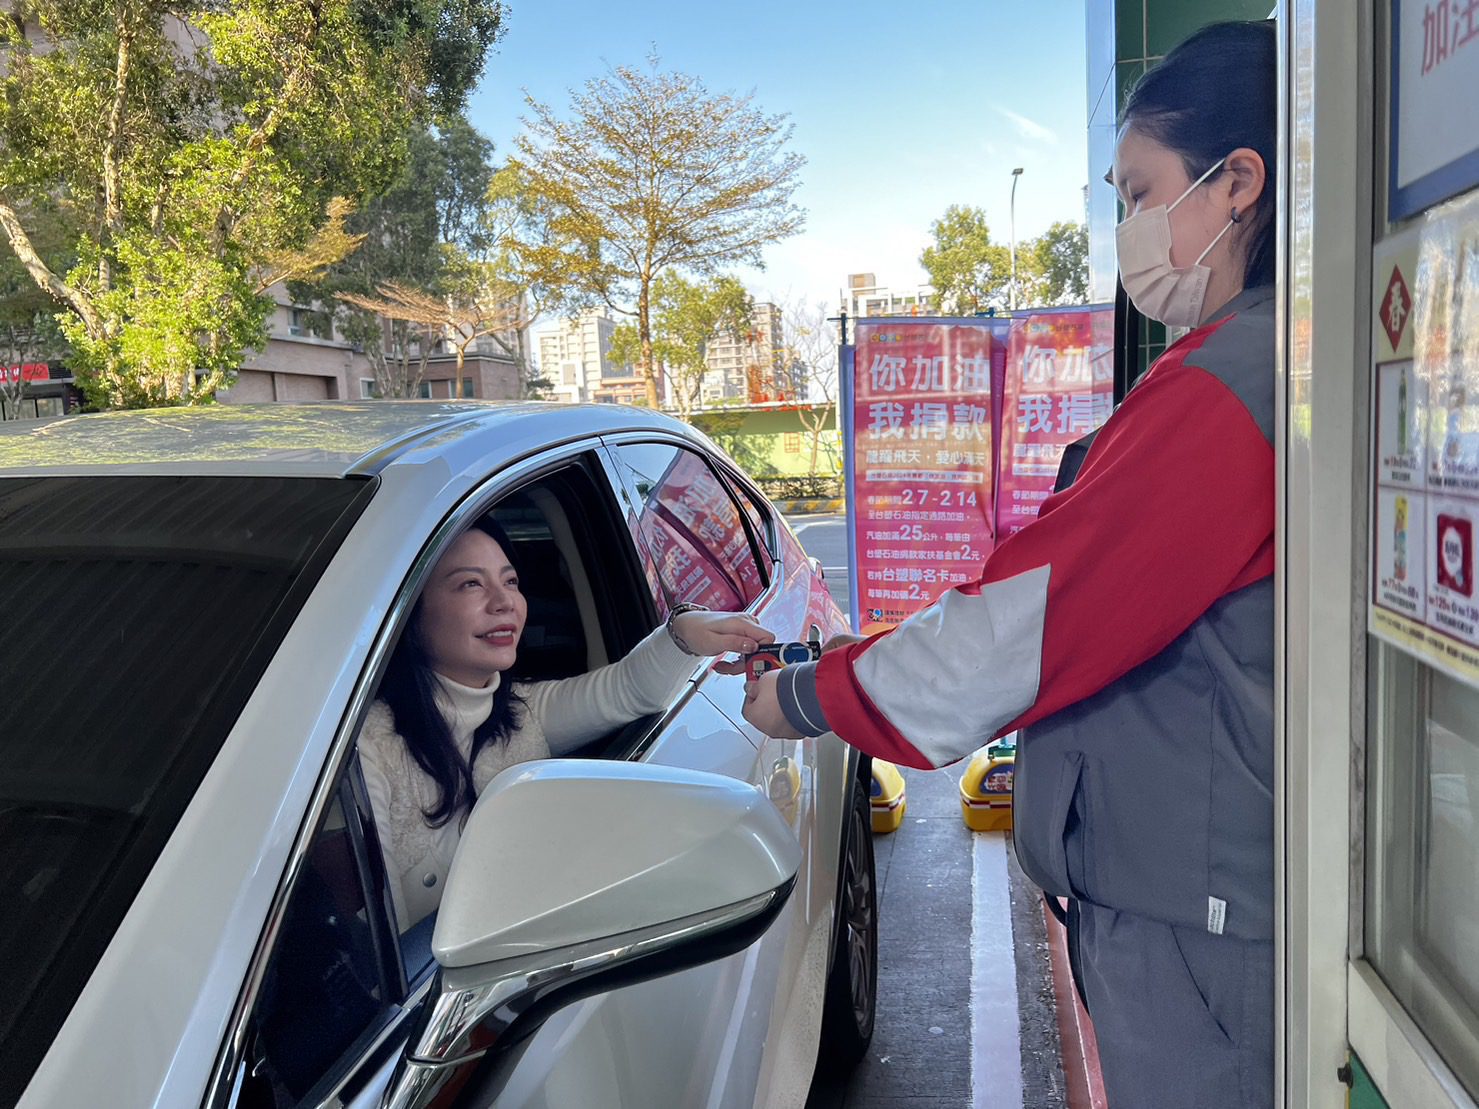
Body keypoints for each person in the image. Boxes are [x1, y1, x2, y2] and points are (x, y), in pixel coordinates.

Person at [737, 20, 1278, 1106]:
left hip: (1205, 935)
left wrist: (800, 691)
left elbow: (1016, 628)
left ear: (1235, 185)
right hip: (1212, 902)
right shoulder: (1265, 364)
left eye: (1138, 192)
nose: (1128, 225)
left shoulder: (1226, 391)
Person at [360, 516, 772, 932]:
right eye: (471, 584)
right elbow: (378, 937)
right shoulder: (367, 747)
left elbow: (629, 689)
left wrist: (682, 631)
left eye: (511, 582)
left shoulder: (523, 711)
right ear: (410, 613)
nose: (504, 603)